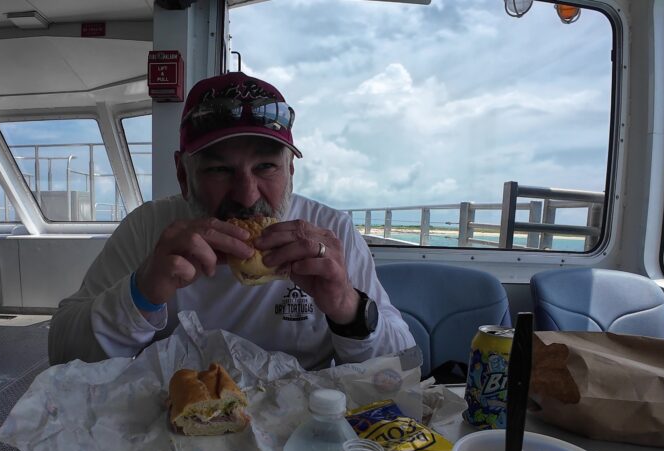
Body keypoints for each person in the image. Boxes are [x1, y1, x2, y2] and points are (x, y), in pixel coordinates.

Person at [48, 71, 415, 370]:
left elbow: (407, 366)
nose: (247, 196)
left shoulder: (330, 232)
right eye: (220, 169)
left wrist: (348, 308)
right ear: (183, 174)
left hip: (299, 435)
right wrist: (140, 295)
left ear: (290, 170)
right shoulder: (150, 227)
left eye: (266, 167)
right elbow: (62, 353)